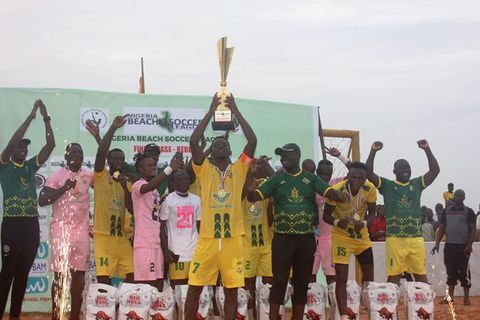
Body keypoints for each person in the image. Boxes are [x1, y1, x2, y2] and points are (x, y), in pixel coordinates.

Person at [247, 143, 348, 320]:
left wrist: (340, 196)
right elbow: (253, 197)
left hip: (305, 239)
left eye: (287, 155)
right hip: (282, 239)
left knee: (302, 282)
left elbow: (330, 193)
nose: (283, 158)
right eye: (281, 155)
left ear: (297, 156)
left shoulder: (310, 179)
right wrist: (250, 176)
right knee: (279, 282)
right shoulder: (277, 179)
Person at [184, 94, 257, 319]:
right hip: (207, 239)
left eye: (224, 143)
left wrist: (235, 111)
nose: (220, 146)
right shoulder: (204, 169)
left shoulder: (240, 169)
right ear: (211, 151)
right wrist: (209, 111)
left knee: (231, 291)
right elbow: (193, 142)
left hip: (233, 240)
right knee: (194, 288)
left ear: (229, 150)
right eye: (216, 144)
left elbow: (252, 141)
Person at [0, 100, 55, 318]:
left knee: (22, 274)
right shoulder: (4, 165)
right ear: (12, 149)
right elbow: (13, 141)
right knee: (7, 273)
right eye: (19, 147)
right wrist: (30, 117)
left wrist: (46, 118)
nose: (22, 150)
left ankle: (14, 316)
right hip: (12, 225)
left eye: (25, 147)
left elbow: (50, 146)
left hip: (30, 226)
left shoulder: (31, 166)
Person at [366, 140, 440, 284]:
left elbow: (435, 171)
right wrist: (373, 151)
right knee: (394, 277)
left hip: (416, 239)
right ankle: (389, 306)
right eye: (402, 168)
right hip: (395, 239)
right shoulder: (387, 185)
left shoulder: (417, 184)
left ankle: (422, 306)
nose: (406, 170)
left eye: (408, 168)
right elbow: (369, 173)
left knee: (421, 277)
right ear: (394, 171)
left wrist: (427, 150)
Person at [38, 143, 92, 320]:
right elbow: (43, 200)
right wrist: (64, 188)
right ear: (66, 156)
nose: (78, 155)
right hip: (61, 232)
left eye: (80, 152)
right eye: (74, 152)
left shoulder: (88, 174)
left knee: (79, 276)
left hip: (81, 233)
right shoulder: (57, 175)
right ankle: (57, 315)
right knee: (60, 276)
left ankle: (74, 316)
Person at [323, 162, 377, 320]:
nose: (356, 180)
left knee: (369, 273)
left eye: (360, 178)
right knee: (341, 278)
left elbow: (373, 212)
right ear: (348, 176)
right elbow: (326, 216)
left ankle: (369, 309)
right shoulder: (337, 190)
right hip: (341, 237)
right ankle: (344, 316)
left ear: (365, 178)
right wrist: (338, 222)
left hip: (361, 236)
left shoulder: (370, 189)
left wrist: (365, 223)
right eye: (352, 176)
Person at [92, 115, 134, 284]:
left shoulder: (127, 182)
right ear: (108, 161)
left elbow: (131, 209)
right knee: (103, 279)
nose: (119, 162)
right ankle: (105, 309)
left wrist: (125, 188)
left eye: (122, 159)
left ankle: (123, 308)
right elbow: (101, 152)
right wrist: (113, 129)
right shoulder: (101, 176)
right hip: (103, 237)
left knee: (133, 275)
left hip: (122, 238)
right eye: (115, 159)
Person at [131, 152, 182, 290]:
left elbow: (157, 221)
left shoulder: (155, 193)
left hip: (156, 243)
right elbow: (147, 187)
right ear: (140, 169)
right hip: (144, 244)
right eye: (149, 166)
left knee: (159, 283)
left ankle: (155, 312)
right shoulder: (138, 185)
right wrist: (169, 169)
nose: (153, 168)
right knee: (146, 286)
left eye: (154, 165)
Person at [242, 157, 274, 319]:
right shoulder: (240, 192)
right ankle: (249, 316)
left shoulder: (263, 188)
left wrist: (266, 166)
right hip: (246, 246)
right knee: (248, 285)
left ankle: (266, 315)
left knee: (270, 282)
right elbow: (243, 183)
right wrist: (250, 169)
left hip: (265, 245)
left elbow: (276, 179)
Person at [431, 189, 476, 305]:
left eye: (459, 196)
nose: (456, 197)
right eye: (455, 195)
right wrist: (437, 244)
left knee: (464, 274)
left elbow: (473, 230)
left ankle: (466, 298)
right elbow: (441, 228)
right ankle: (450, 297)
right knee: (451, 272)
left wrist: (469, 245)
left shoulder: (469, 212)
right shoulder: (446, 211)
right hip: (449, 246)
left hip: (463, 247)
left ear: (463, 198)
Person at [159, 169, 201, 288]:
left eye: (186, 179)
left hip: (195, 251)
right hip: (176, 252)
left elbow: (199, 226)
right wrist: (165, 250)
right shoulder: (168, 200)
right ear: (172, 183)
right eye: (180, 179)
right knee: (178, 289)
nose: (184, 182)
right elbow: (161, 227)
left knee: (195, 287)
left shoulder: (196, 200)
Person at [311, 159, 344, 283]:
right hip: (312, 236)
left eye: (328, 174)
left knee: (332, 277)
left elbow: (354, 171)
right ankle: (312, 302)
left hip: (329, 238)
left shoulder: (335, 184)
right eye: (322, 173)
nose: (325, 177)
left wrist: (340, 156)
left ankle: (334, 302)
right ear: (317, 172)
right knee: (310, 275)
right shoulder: (310, 185)